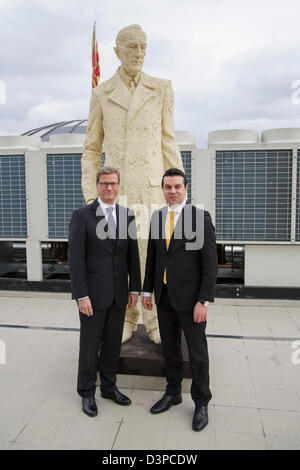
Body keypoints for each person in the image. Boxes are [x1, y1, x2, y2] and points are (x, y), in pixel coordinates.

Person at [81, 24, 184, 344]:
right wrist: (90, 196)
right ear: (117, 51)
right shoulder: (102, 93)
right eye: (131, 47)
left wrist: (178, 192)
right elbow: (91, 148)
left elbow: (170, 142)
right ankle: (127, 317)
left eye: (143, 47)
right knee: (120, 258)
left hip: (153, 189)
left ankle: (154, 320)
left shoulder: (162, 88)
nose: (138, 53)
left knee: (156, 256)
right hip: (117, 193)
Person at [142, 168, 218, 431]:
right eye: (167, 186)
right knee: (170, 349)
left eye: (177, 186)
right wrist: (148, 291)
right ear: (162, 189)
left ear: (186, 188)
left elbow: (210, 264)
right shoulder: (157, 216)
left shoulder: (200, 218)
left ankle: (201, 403)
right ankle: (173, 392)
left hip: (191, 301)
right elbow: (153, 257)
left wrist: (204, 301)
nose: (172, 191)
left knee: (197, 354)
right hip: (163, 298)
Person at [68, 166, 141, 417]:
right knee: (89, 346)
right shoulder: (82, 216)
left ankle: (109, 388)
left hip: (119, 294)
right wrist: (81, 295)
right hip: (93, 296)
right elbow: (75, 260)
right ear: (97, 185)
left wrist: (135, 288)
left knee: (112, 344)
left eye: (113, 183)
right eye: (104, 183)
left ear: (119, 186)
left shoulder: (127, 215)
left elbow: (133, 256)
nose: (109, 187)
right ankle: (87, 392)